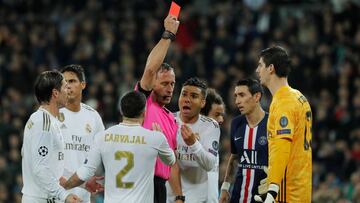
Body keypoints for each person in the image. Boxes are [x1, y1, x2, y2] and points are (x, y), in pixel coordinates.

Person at [62, 90, 176, 203]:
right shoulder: (156, 138)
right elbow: (170, 161)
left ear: (121, 111)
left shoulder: (102, 137)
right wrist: (162, 136)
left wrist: (64, 188)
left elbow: (85, 172)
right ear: (144, 112)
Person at [254, 46, 312, 202]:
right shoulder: (299, 97)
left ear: (271, 68)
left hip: (288, 193)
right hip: (302, 189)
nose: (257, 70)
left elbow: (282, 147)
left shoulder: (283, 103)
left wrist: (273, 189)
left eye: (260, 65)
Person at [135, 14, 183, 203]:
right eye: (164, 83)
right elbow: (149, 70)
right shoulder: (143, 102)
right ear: (152, 83)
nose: (170, 88)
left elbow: (171, 163)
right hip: (141, 183)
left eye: (172, 83)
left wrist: (179, 196)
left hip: (160, 187)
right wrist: (169, 34)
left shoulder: (172, 118)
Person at [21, 71, 81, 203]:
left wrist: (82, 182)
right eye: (65, 86)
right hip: (41, 199)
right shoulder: (43, 123)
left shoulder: (48, 120)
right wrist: (64, 196)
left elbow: (54, 166)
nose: (68, 89)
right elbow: (41, 168)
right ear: (55, 93)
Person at [166, 77, 221, 203]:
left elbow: (209, 164)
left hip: (197, 199)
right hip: (170, 197)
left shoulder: (210, 126)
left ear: (202, 103)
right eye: (184, 94)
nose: (187, 99)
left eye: (194, 96)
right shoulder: (168, 120)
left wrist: (194, 144)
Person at [59, 64, 105, 203]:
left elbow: (102, 151)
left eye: (72, 81)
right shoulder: (53, 115)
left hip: (83, 195)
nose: (67, 86)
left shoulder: (93, 117)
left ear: (83, 84)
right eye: (64, 82)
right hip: (57, 194)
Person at [219, 79, 268, 203]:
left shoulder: (272, 123)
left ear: (257, 96)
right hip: (237, 197)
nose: (237, 101)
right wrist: (225, 188)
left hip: (263, 198)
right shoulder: (236, 123)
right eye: (236, 96)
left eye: (242, 95)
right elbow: (234, 157)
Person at [200, 88, 225, 202]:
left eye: (221, 115)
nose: (221, 119)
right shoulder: (189, 142)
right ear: (202, 115)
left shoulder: (213, 140)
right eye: (217, 114)